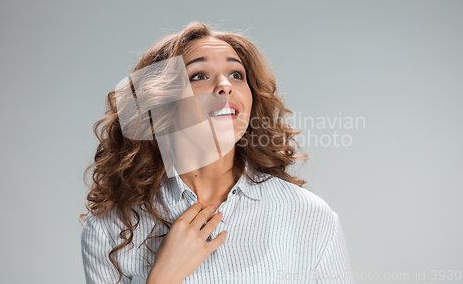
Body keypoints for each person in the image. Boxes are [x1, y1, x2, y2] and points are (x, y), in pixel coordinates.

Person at [80, 21, 355, 284]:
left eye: (236, 75)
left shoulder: (309, 216)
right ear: (163, 104)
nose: (225, 85)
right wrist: (163, 278)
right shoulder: (110, 227)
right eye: (199, 76)